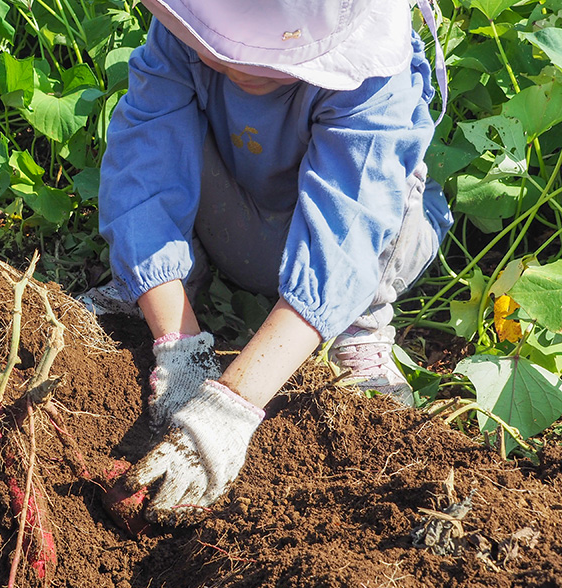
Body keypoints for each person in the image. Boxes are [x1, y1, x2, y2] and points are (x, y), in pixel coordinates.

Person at [81, 0, 454, 525]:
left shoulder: (372, 74)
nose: (237, 68)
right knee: (152, 151)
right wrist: (178, 344)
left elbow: (345, 239)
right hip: (234, 207)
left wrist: (231, 406)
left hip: (352, 244)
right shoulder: (186, 30)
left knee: (395, 200)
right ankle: (164, 282)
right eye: (222, 52)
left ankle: (358, 324)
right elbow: (148, 170)